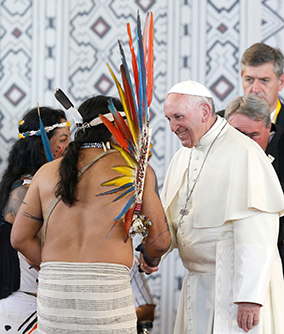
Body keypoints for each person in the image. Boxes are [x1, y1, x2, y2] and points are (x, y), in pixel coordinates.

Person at [11, 95, 171, 334]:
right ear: (121, 127)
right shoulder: (135, 171)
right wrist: (149, 259)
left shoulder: (46, 172)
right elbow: (160, 240)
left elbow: (19, 239)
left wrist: (57, 270)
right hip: (107, 300)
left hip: (55, 297)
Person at [141, 80, 284, 334]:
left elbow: (259, 231)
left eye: (178, 117)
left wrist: (249, 296)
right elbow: (175, 219)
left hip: (235, 288)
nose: (173, 127)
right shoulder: (182, 156)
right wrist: (154, 251)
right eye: (169, 118)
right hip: (198, 282)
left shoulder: (243, 153)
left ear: (205, 112)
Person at [0, 106, 70, 333]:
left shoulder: (33, 188)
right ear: (42, 146)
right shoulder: (23, 191)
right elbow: (40, 245)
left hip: (35, 302)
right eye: (63, 139)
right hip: (23, 305)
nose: (69, 147)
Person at [224, 94, 284, 275]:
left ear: (269, 129)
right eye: (239, 135)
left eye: (253, 136)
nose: (246, 143)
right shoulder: (212, 148)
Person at [218, 43, 284, 127]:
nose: (255, 89)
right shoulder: (219, 124)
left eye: (264, 80)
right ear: (242, 77)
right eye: (249, 80)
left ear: (281, 82)